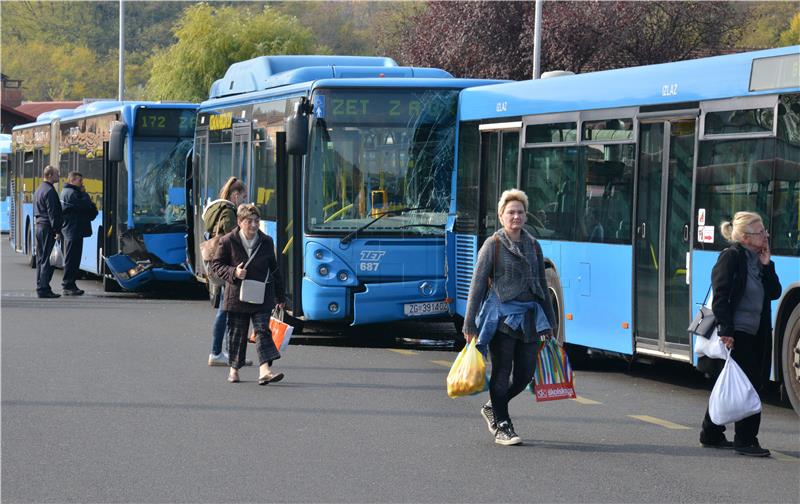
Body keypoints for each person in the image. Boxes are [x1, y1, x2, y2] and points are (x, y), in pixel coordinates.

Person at [463, 189, 557, 446]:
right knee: (502, 372)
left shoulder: (533, 245)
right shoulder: (492, 245)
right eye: (511, 212)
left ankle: (493, 405)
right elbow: (477, 285)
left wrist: (551, 323)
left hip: (530, 320)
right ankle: (503, 426)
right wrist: (469, 323)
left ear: (526, 216)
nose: (516, 216)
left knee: (525, 375)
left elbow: (541, 286)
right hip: (501, 319)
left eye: (520, 212)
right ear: (501, 215)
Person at [699, 211, 781, 457]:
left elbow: (774, 292)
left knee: (730, 383)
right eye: (759, 232)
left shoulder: (759, 260)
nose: (765, 236)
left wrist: (767, 265)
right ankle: (745, 440)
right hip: (737, 332)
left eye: (765, 230)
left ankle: (710, 433)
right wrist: (727, 330)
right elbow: (721, 296)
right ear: (745, 237)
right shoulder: (731, 257)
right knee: (749, 386)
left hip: (757, 333)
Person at [210, 203, 285, 385]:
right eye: (249, 221)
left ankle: (264, 370)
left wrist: (280, 297)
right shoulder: (228, 241)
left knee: (262, 331)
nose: (253, 225)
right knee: (237, 333)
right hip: (236, 295)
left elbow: (274, 269)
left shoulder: (266, 241)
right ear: (239, 222)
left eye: (256, 221)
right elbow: (216, 265)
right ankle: (234, 370)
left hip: (262, 294)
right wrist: (233, 272)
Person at [202, 177, 252, 367]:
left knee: (227, 309)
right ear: (235, 195)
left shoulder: (216, 208)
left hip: (219, 264)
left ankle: (228, 353)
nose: (244, 202)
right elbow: (230, 235)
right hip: (228, 265)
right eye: (244, 197)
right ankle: (218, 353)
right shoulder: (228, 210)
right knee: (226, 309)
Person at [60, 171, 98, 295]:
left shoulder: (71, 193)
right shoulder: (72, 194)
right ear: (72, 180)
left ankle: (71, 284)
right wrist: (85, 194)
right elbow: (87, 206)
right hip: (73, 230)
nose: (82, 184)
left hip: (74, 230)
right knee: (72, 259)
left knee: (74, 259)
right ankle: (68, 285)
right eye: (80, 181)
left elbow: (91, 210)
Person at [33, 165, 63, 298]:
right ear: (50, 175)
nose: (59, 176)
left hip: (39, 226)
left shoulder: (39, 189)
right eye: (57, 174)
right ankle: (43, 288)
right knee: (46, 259)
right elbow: (53, 213)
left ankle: (41, 284)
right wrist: (57, 230)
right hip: (47, 227)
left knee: (41, 258)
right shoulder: (50, 191)